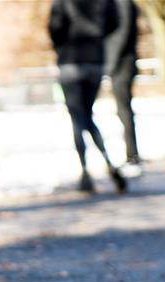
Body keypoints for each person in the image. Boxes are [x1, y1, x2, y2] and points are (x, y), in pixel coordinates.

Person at [48, 0, 126, 193]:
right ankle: (108, 162)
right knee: (87, 116)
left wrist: (63, 44)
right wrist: (96, 37)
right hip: (94, 59)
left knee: (78, 118)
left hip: (70, 60)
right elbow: (115, 22)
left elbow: (54, 27)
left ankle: (85, 172)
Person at [105, 0, 140, 166]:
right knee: (122, 110)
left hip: (122, 64)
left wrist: (109, 64)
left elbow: (121, 34)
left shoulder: (122, 4)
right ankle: (131, 153)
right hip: (120, 63)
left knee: (124, 110)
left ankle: (132, 154)